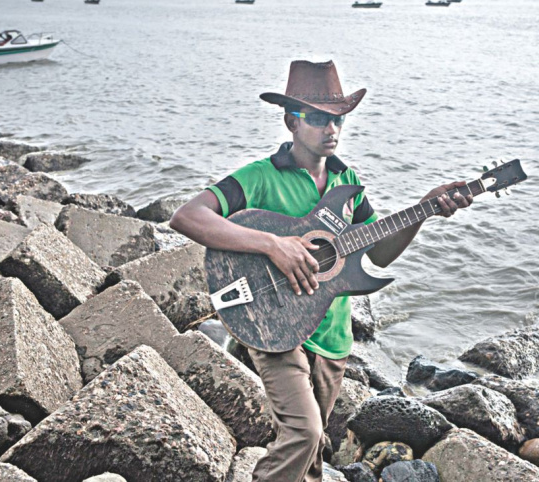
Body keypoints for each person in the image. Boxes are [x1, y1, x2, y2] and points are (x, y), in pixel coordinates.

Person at [169, 60, 472, 482]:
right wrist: (273, 244)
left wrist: (422, 211)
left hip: (331, 334)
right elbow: (187, 216)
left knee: (311, 460)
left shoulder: (347, 184)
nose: (332, 129)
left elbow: (377, 256)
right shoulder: (260, 177)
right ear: (292, 120)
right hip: (273, 324)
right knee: (305, 432)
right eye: (318, 119)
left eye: (338, 119)